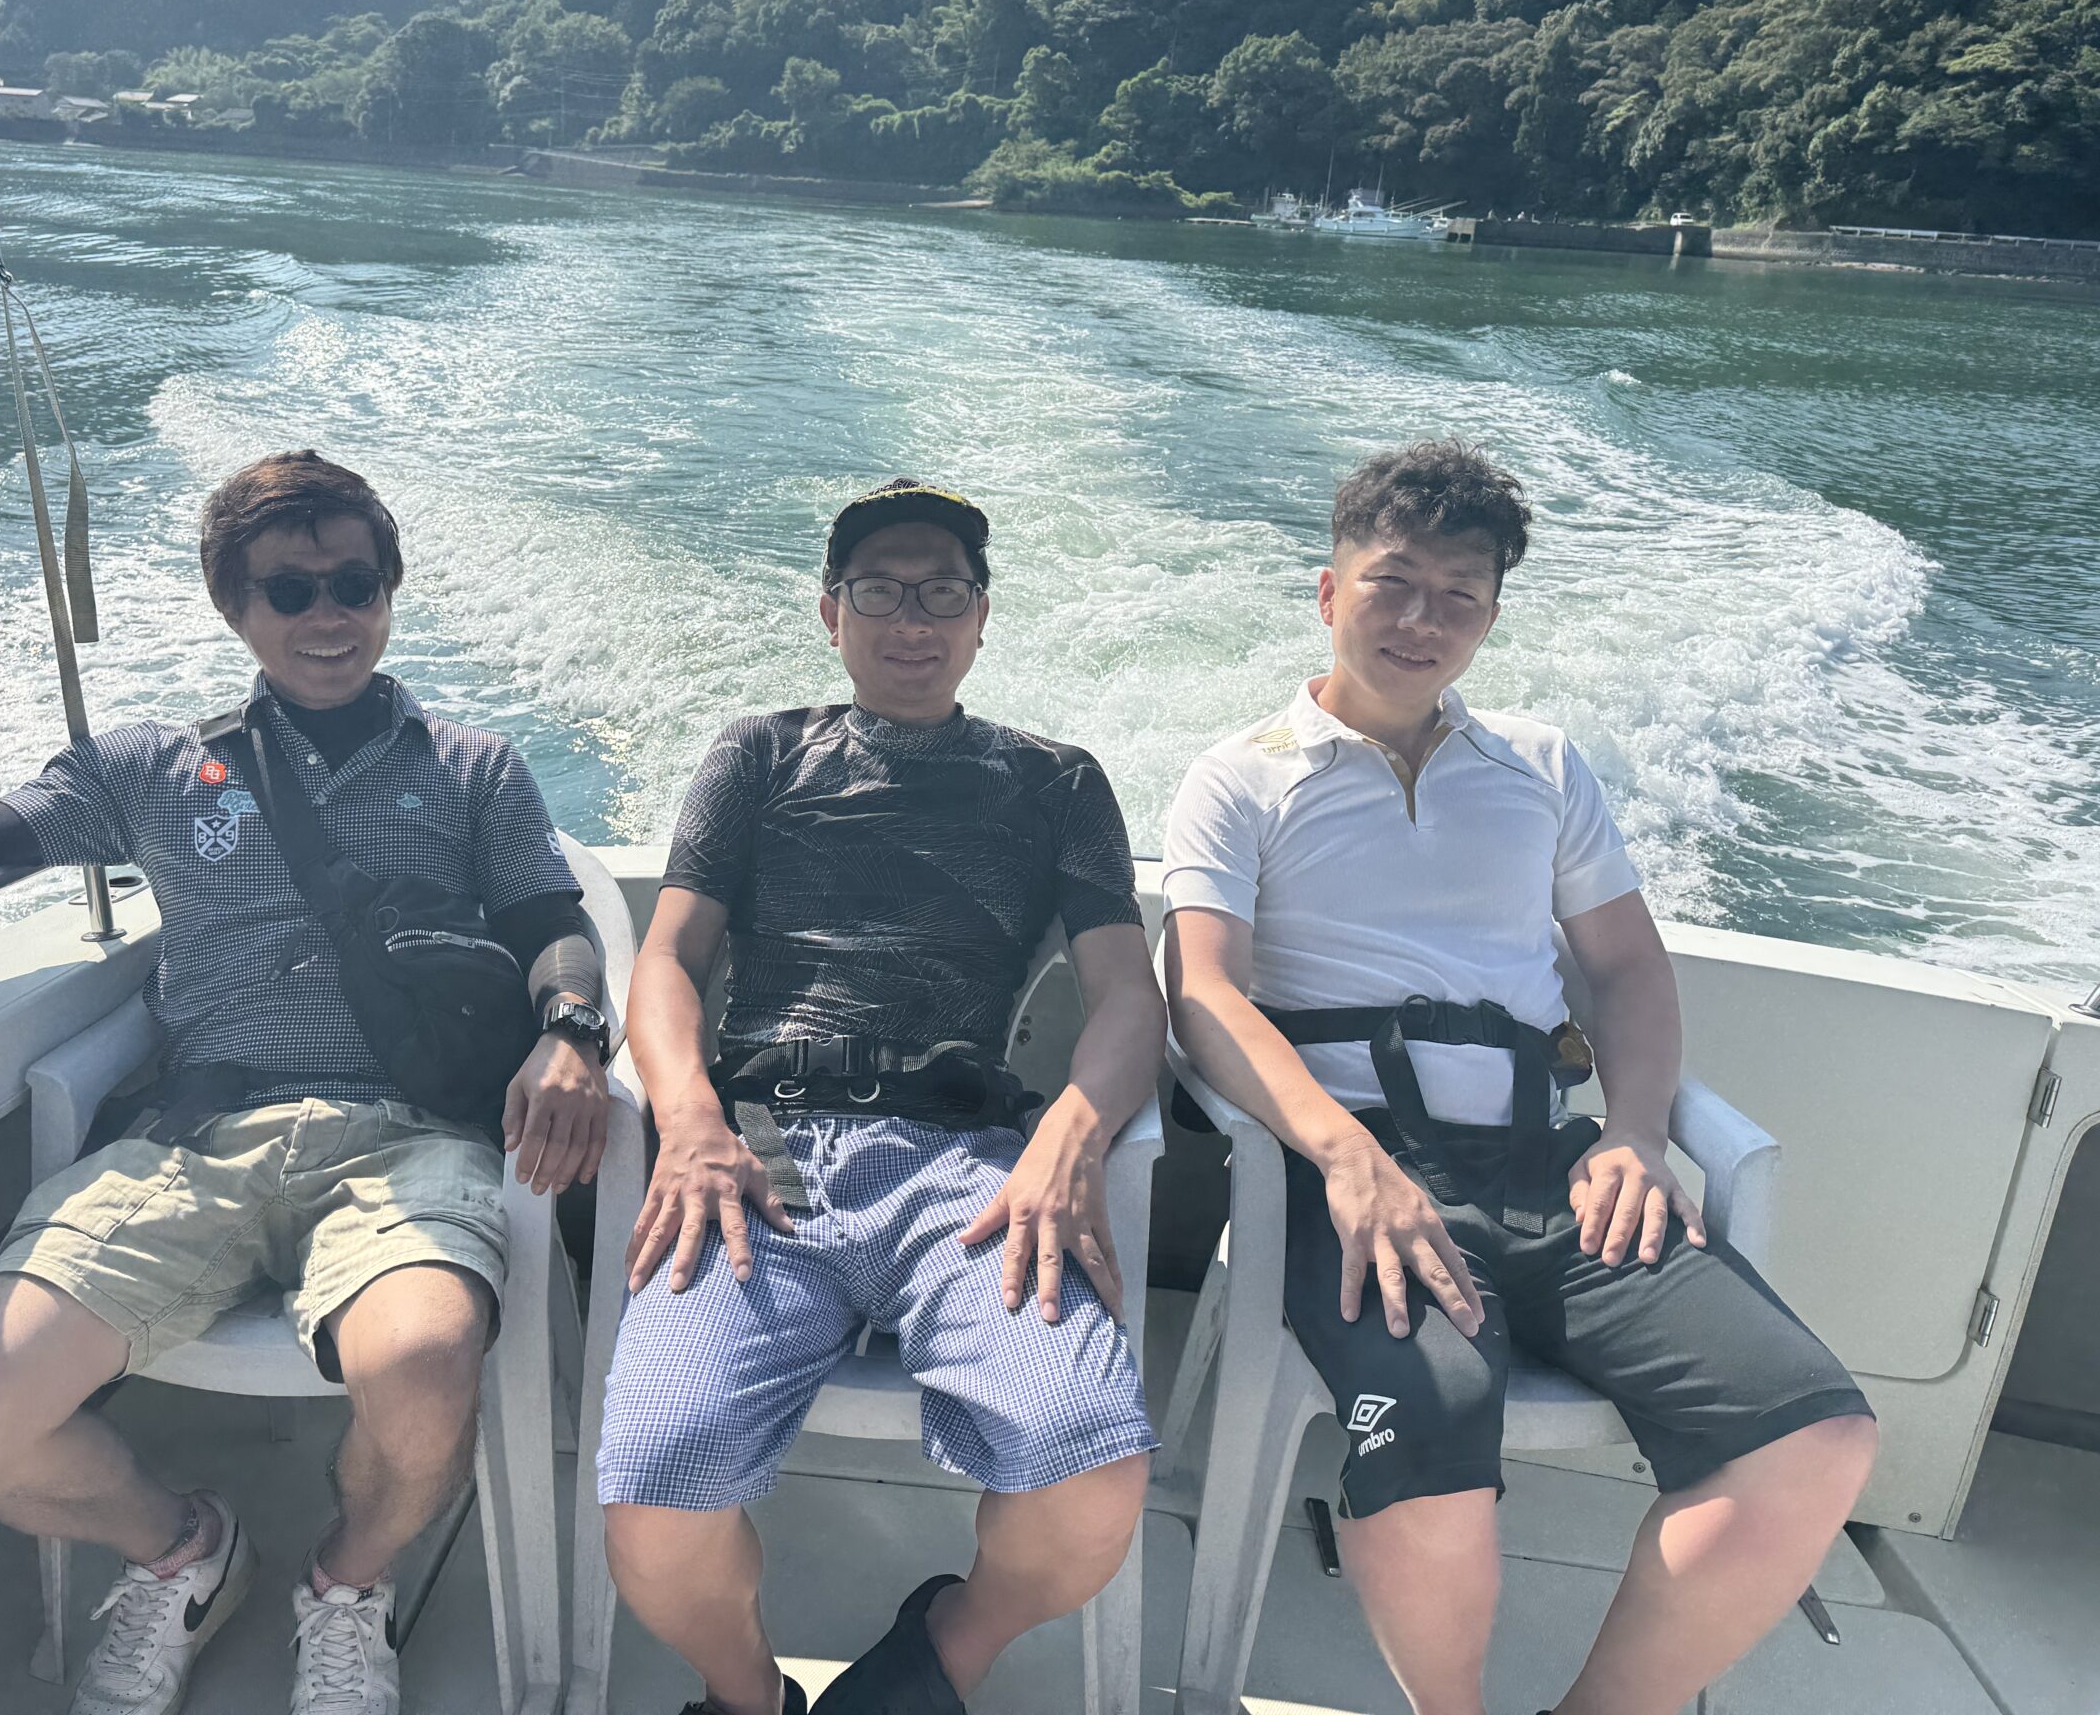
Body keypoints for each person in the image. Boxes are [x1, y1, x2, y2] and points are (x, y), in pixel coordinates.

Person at [0, 451, 614, 1715]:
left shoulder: (472, 766)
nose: (328, 615)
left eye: (355, 584)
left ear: (390, 589)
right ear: (231, 606)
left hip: (412, 1135)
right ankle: (183, 1551)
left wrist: (572, 1029)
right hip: (200, 1136)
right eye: (289, 590)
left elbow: (548, 919)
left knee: (425, 1365)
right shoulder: (152, 766)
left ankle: (347, 1581)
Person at [1160, 441, 1877, 1715]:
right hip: (1357, 1167)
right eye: (1392, 583)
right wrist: (1345, 1157)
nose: (1421, 620)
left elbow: (1625, 968)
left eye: (1459, 595)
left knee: (1814, 1438)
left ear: (1490, 617)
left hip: (1558, 1163)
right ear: (1327, 592)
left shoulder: (1540, 766)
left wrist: (1635, 1133)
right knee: (1432, 1436)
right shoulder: (1240, 777)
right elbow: (1204, 993)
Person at [595, 480, 1167, 1715]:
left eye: (943, 593)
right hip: (761, 1150)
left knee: (1090, 1473)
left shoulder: (1056, 781)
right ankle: (748, 1699)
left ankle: (931, 1662)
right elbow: (668, 960)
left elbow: (1129, 993)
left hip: (966, 1161)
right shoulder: (758, 754)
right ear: (830, 612)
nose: (913, 620)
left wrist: (1070, 1134)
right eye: (879, 592)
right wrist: (687, 1116)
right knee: (653, 1487)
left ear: (981, 617)